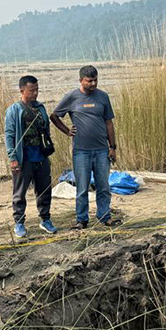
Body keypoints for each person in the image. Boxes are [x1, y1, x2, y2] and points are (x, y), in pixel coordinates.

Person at [51, 65, 119, 229]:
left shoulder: (103, 97)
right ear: (81, 80)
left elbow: (109, 122)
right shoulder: (72, 97)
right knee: (82, 188)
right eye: (89, 81)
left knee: (103, 186)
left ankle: (104, 217)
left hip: (102, 150)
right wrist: (67, 131)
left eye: (95, 80)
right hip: (81, 151)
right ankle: (82, 219)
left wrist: (113, 147)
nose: (93, 84)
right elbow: (54, 115)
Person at [4, 75, 56, 237]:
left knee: (44, 189)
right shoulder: (14, 110)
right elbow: (9, 135)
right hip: (23, 158)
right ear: (22, 91)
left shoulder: (40, 108)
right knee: (20, 192)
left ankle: (45, 219)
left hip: (40, 156)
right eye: (31, 90)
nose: (35, 94)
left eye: (37, 90)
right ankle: (19, 223)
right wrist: (13, 158)